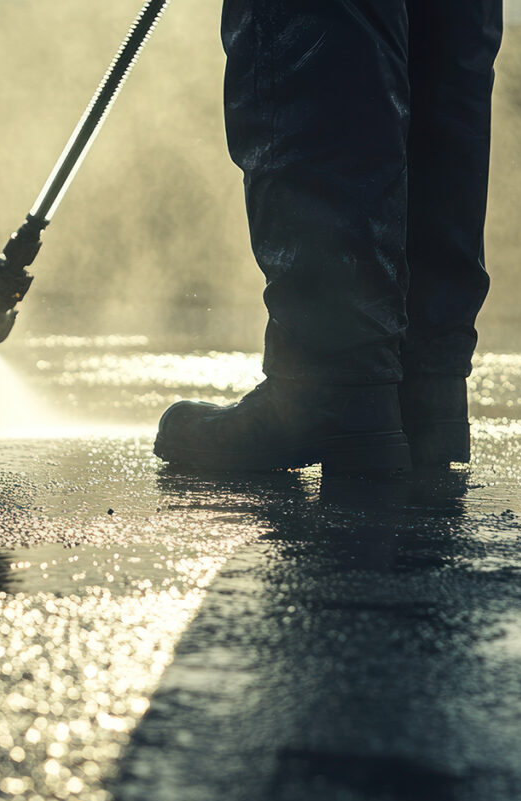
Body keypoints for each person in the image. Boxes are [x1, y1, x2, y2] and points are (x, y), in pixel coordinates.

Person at [153, 0, 503, 475]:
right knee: (441, 24)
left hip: (335, 386)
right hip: (425, 380)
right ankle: (421, 390)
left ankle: (332, 386)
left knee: (317, 20)